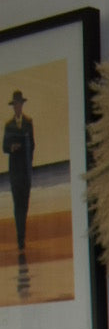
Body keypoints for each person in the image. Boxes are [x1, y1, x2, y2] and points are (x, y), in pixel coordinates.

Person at [3, 89, 35, 253]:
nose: (17, 107)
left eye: (19, 104)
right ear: (13, 106)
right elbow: (4, 147)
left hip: (26, 172)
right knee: (18, 206)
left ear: (22, 105)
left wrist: (29, 164)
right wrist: (12, 147)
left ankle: (22, 237)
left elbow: (33, 146)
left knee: (25, 204)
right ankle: (20, 239)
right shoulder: (8, 126)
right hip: (15, 172)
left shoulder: (28, 123)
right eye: (15, 104)